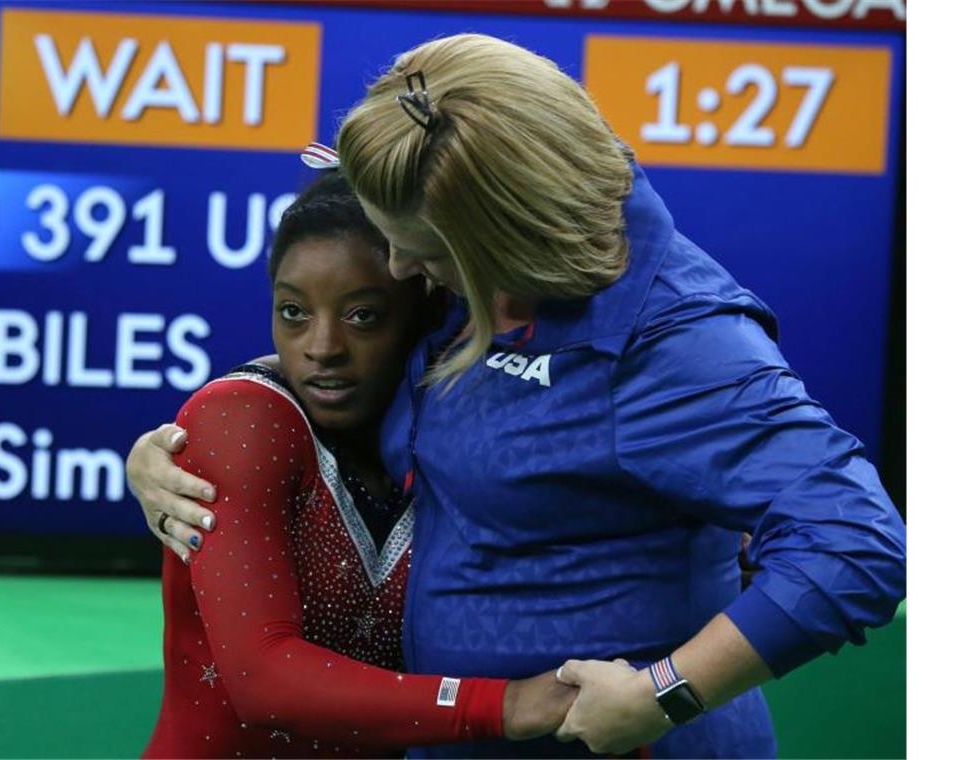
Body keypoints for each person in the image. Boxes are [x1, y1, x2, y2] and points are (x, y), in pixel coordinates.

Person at [129, 34, 907, 758]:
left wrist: (659, 695)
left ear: (502, 232)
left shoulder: (680, 347)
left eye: (422, 249)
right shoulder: (474, 266)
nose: (399, 265)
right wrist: (211, 425)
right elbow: (366, 355)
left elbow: (856, 545)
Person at [140, 169, 574, 759]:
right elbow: (263, 681)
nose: (321, 347)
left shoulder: (461, 427)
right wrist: (509, 705)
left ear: (426, 311)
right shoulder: (242, 420)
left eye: (362, 316)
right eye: (293, 311)